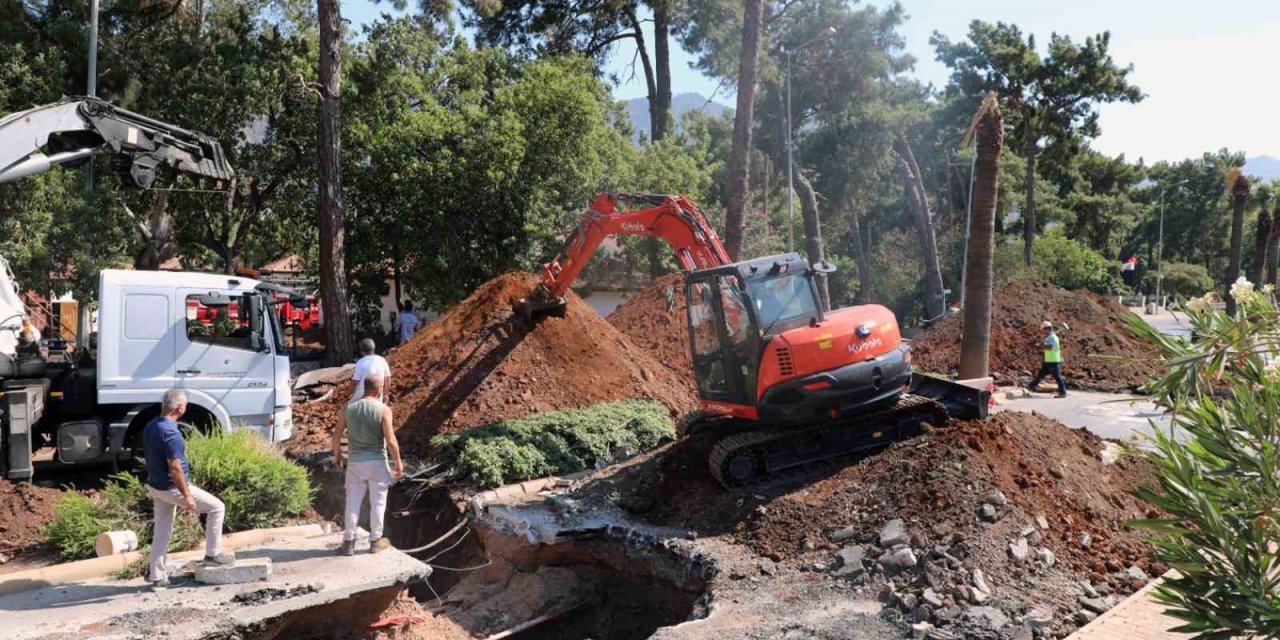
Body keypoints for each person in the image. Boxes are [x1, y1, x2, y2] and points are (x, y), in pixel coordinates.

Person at [144, 389, 234, 588]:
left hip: (155, 486)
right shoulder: (171, 432)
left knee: (162, 530)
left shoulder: (152, 426)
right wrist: (187, 496)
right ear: (180, 408)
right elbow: (175, 467)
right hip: (171, 487)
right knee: (217, 507)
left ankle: (158, 576)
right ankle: (213, 554)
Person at [332, 372, 404, 555]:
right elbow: (391, 440)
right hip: (377, 463)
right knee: (378, 503)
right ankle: (375, 541)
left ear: (364, 387)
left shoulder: (348, 407)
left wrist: (337, 455)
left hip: (355, 462)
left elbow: (337, 434)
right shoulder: (383, 410)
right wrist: (398, 463)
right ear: (379, 388)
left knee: (353, 502)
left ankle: (348, 542)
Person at [1027, 320, 1067, 398]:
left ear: (1047, 329)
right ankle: (1031, 386)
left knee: (1057, 376)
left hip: (1053, 360)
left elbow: (1049, 348)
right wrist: (1042, 343)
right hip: (1048, 360)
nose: (1042, 332)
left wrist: (1039, 346)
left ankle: (1063, 392)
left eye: (1043, 330)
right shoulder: (1049, 337)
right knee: (1041, 374)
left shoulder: (1052, 338)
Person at [351, 338, 391, 404]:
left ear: (361, 352)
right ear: (374, 349)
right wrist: (385, 395)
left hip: (361, 400)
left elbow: (355, 382)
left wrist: (347, 393)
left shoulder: (360, 362)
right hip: (378, 400)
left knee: (345, 410)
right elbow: (388, 380)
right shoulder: (382, 360)